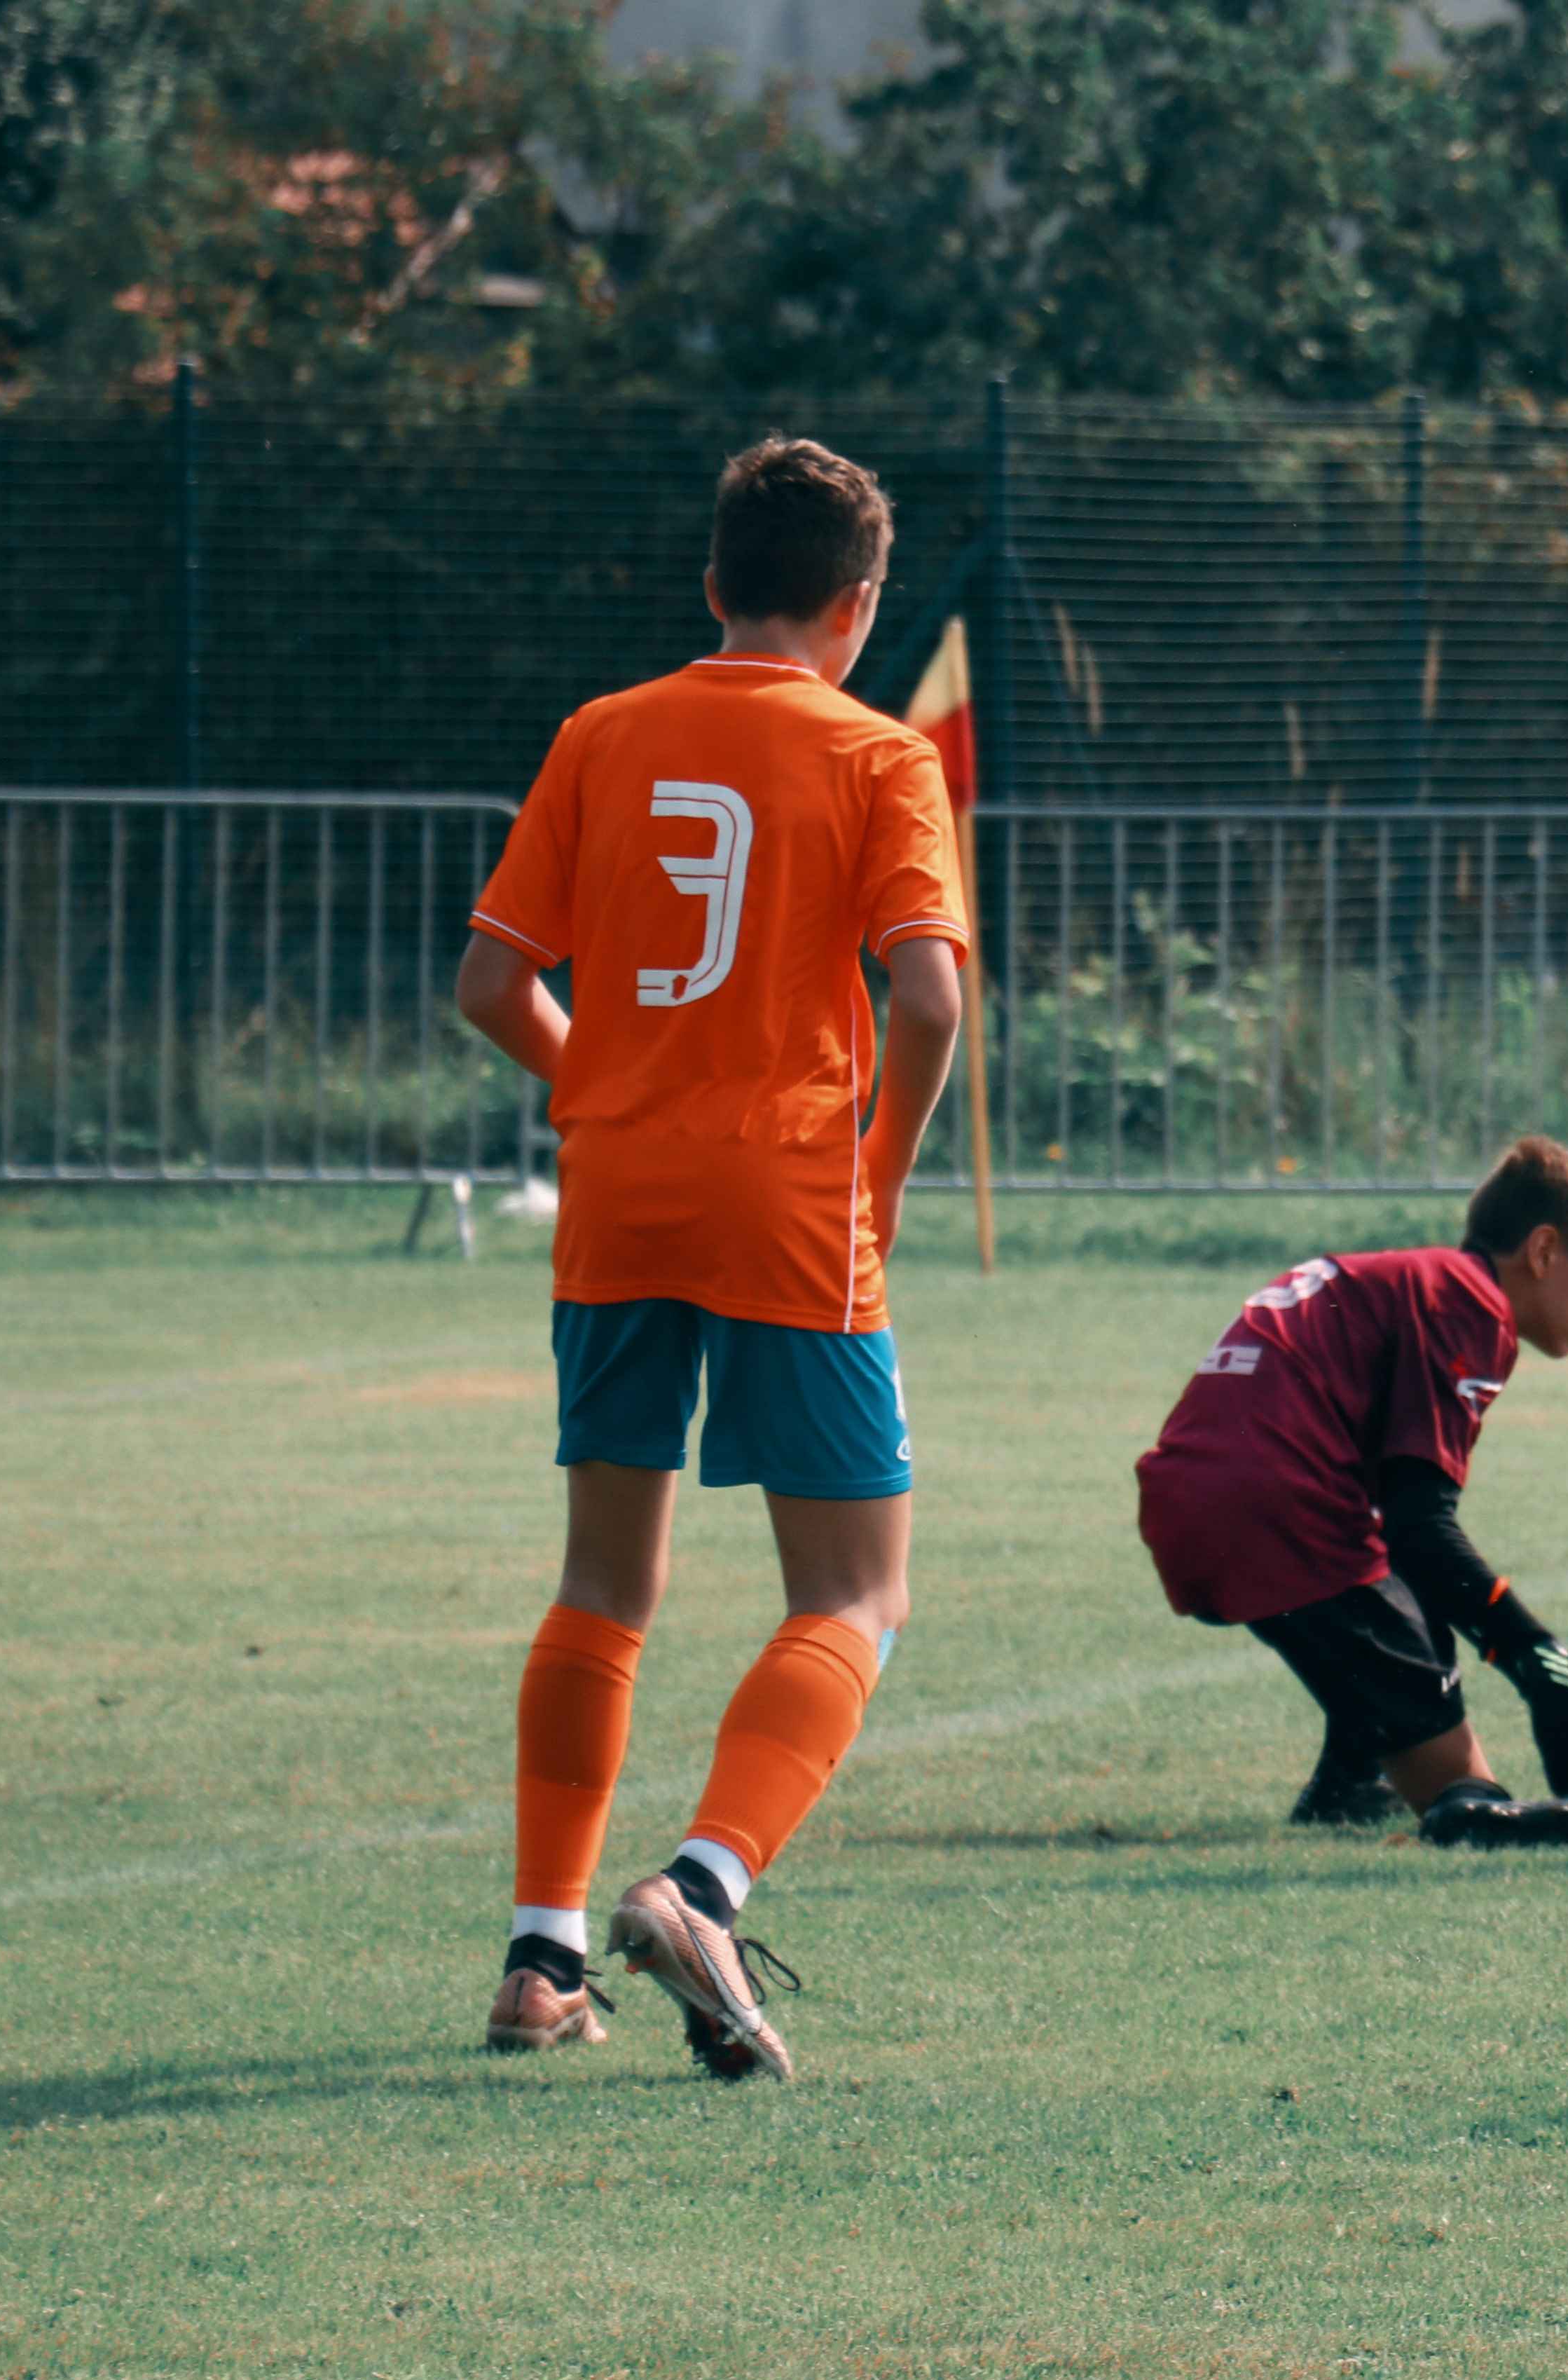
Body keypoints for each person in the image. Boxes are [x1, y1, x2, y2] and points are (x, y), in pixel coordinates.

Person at [453, 436, 972, 2081]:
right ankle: (702, 1881)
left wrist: (606, 1085)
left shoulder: (604, 733)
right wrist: (875, 1174)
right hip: (785, 1197)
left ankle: (541, 1956)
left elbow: (489, 981)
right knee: (855, 1587)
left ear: (712, 586)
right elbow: (931, 1001)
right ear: (860, 601)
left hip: (619, 1193)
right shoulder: (877, 753)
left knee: (604, 1579)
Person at [1134, 1137, 1568, 1849]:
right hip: (1277, 1505)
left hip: (1194, 1495)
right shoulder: (1472, 1303)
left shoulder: (1420, 1280)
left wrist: (1522, 1656)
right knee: (1452, 1774)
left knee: (1404, 1608)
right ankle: (1466, 1807)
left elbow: (1411, 1543)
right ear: (1544, 1252)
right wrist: (1544, 1664)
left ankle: (1354, 1775)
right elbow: (1422, 1524)